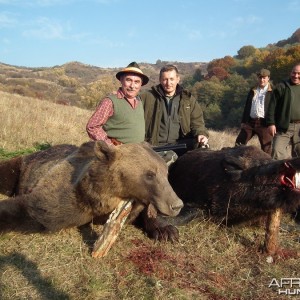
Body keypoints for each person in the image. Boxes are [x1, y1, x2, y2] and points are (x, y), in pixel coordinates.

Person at [140, 64, 209, 157]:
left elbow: (197, 122)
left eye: (172, 79)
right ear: (160, 80)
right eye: (165, 79)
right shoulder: (146, 97)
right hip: (154, 146)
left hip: (180, 145)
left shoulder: (187, 99)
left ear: (178, 79)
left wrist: (201, 134)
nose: (168, 83)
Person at [86, 62, 149, 145]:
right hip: (118, 155)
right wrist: (110, 145)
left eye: (136, 82)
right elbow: (92, 126)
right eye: (128, 80)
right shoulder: (110, 102)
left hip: (137, 152)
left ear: (141, 84)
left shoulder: (140, 102)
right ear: (121, 80)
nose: (132, 86)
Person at [235, 68, 273, 155]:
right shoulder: (253, 90)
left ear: (268, 78)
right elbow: (247, 106)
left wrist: (272, 123)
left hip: (264, 123)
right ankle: (235, 163)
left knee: (267, 149)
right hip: (250, 122)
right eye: (260, 78)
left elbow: (276, 109)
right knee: (239, 143)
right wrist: (243, 121)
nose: (262, 80)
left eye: (264, 78)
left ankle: (267, 166)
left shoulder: (273, 91)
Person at [266, 63, 300, 160]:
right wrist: (271, 123)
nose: (296, 76)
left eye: (299, 73)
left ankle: (296, 174)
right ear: (291, 73)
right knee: (277, 151)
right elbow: (272, 106)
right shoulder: (282, 86)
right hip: (284, 126)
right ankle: (283, 173)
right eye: (294, 73)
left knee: (298, 155)